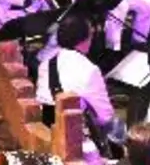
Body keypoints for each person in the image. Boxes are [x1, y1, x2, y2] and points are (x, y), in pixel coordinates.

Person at [34, 13, 122, 141]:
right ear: (83, 39)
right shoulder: (90, 70)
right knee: (118, 128)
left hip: (44, 129)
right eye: (91, 35)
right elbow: (105, 117)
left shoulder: (45, 63)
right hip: (71, 136)